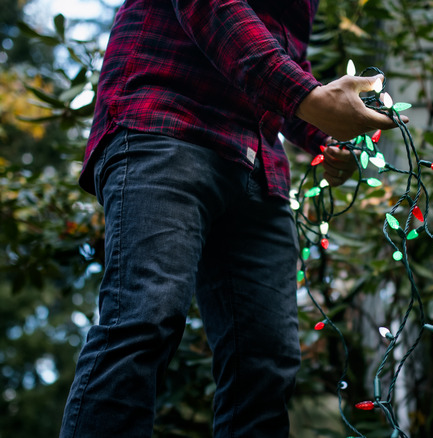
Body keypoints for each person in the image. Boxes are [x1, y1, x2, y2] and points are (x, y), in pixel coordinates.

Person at [59, 0, 403, 437]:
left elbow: (283, 56)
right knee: (145, 317)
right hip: (164, 122)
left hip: (258, 165)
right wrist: (309, 99)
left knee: (266, 364)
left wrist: (325, 135)